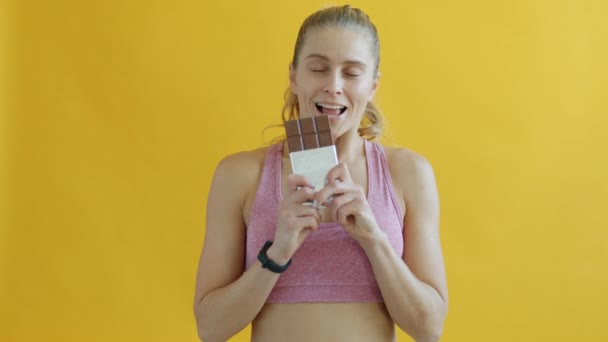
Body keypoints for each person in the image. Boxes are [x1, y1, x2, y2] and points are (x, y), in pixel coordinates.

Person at [193, 5, 447, 342]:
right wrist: (277, 252)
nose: (333, 85)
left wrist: (374, 239)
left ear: (372, 85)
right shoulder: (240, 175)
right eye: (318, 68)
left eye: (352, 73)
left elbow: (429, 328)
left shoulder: (408, 173)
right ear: (294, 76)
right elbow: (210, 328)